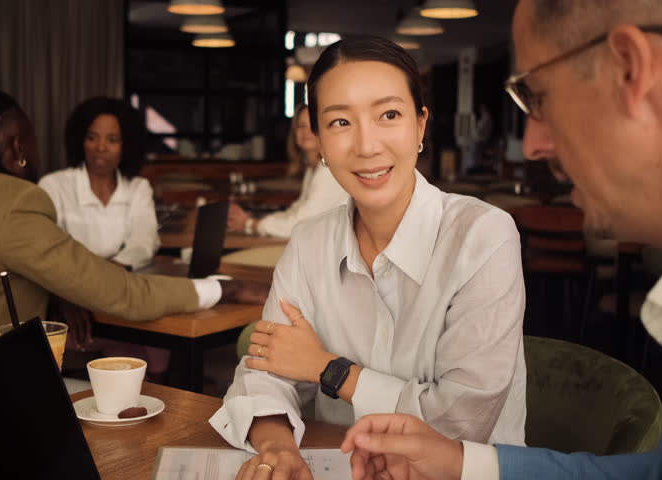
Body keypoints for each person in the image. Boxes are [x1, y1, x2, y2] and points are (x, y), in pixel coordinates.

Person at [339, 1, 662, 479]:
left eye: (537, 97)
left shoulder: (482, 232)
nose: (534, 143)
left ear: (630, 69)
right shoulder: (318, 238)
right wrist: (462, 463)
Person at [210, 35, 527, 478]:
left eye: (389, 115)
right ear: (318, 140)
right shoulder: (308, 243)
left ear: (420, 125)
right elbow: (264, 373)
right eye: (340, 123)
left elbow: (460, 422)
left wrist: (329, 370)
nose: (367, 145)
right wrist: (278, 448)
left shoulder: (483, 236)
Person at [0, 87, 266, 340]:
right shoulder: (15, 201)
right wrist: (225, 288)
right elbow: (124, 294)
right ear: (19, 148)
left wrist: (60, 289)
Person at [39, 97, 158, 271]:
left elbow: (144, 241)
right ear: (81, 140)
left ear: (127, 146)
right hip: (68, 284)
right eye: (92, 137)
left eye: (112, 139)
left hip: (122, 280)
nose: (100, 147)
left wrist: (109, 273)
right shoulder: (53, 185)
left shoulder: (138, 187)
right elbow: (48, 246)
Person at [225, 105, 349, 238]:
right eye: (301, 125)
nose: (306, 131)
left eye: (312, 124)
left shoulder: (328, 171)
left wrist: (250, 224)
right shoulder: (313, 169)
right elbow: (295, 211)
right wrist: (252, 221)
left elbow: (301, 225)